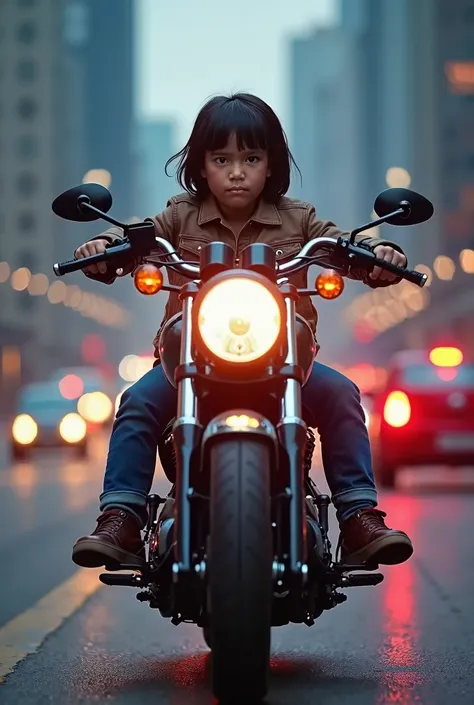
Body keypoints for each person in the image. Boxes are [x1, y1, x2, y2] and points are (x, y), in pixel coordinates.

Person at [71, 92, 413, 571]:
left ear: (270, 164)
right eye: (222, 158)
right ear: (201, 165)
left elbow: (341, 244)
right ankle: (121, 516)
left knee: (341, 394)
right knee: (138, 401)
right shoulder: (178, 216)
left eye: (251, 158)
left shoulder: (301, 219)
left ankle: (359, 517)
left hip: (286, 363)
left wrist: (381, 258)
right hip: (189, 363)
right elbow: (136, 235)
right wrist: (104, 247)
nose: (237, 171)